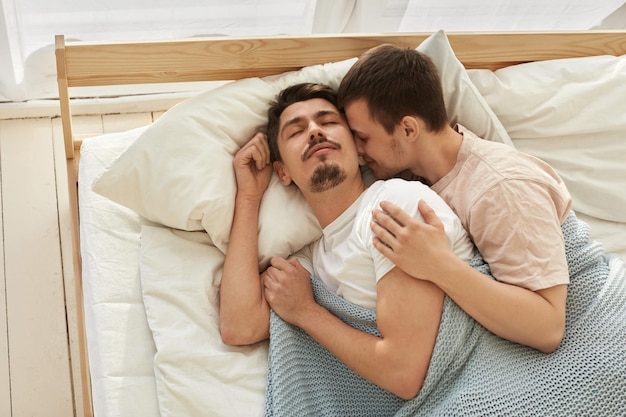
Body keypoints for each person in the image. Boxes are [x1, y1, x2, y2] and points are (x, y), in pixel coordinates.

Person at [219, 82, 474, 399]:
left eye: (327, 122)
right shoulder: (313, 257)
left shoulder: (394, 204)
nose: (314, 131)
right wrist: (248, 197)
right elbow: (239, 326)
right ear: (282, 172)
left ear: (357, 146)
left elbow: (404, 372)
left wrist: (306, 312)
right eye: (296, 131)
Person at [336, 44, 571, 353]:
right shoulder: (414, 176)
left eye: (363, 138)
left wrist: (437, 264)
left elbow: (547, 326)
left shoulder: (498, 187)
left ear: (408, 129)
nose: (359, 152)